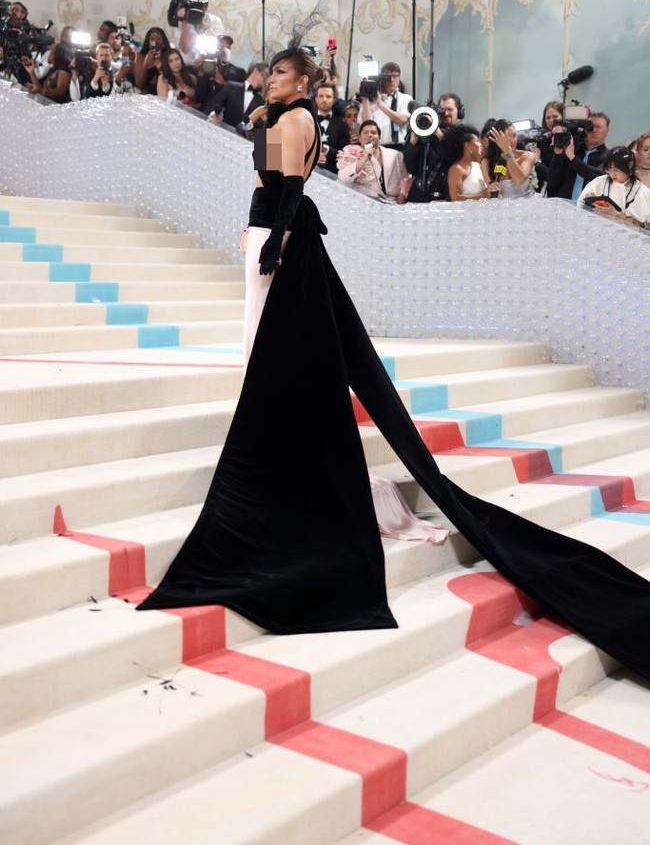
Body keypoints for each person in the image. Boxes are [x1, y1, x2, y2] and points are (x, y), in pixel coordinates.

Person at [136, 46, 650, 684]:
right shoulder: (278, 120)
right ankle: (287, 448)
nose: (271, 82)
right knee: (271, 356)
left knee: (267, 352)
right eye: (271, 74)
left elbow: (288, 189)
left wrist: (274, 246)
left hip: (281, 241)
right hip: (271, 237)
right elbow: (269, 183)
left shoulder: (293, 120)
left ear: (306, 82)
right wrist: (262, 230)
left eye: (285, 75)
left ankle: (285, 460)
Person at [337, 119, 410, 201]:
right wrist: (364, 157)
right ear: (360, 139)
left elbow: (405, 177)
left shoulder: (395, 155)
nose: (369, 135)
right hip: (364, 201)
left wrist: (403, 194)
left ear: (379, 138)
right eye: (365, 133)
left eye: (373, 133)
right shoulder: (350, 152)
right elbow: (343, 178)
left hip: (392, 202)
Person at [577, 145, 650, 226]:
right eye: (609, 169)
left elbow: (644, 227)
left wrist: (617, 215)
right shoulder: (601, 181)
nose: (612, 174)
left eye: (616, 170)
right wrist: (591, 201)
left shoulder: (641, 192)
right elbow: (581, 204)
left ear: (630, 165)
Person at [546, 112, 610, 200]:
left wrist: (572, 157)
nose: (593, 130)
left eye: (598, 127)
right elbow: (552, 182)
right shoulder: (571, 149)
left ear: (606, 131)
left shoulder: (609, 156)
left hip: (589, 210)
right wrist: (558, 155)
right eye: (590, 126)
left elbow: (597, 176)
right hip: (563, 206)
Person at [359, 61, 411, 147]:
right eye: (388, 76)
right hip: (376, 147)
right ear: (381, 79)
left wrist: (380, 105)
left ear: (399, 78)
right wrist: (365, 99)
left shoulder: (405, 98)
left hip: (399, 146)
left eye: (395, 76)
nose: (392, 80)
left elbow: (402, 121)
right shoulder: (370, 100)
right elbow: (366, 123)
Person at [482, 118, 536, 197]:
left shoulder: (528, 156)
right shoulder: (486, 162)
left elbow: (519, 179)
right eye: (506, 137)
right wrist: (493, 190)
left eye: (514, 136)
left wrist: (507, 152)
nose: (512, 140)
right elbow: (493, 193)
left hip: (528, 204)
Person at [206, 62, 268, 129]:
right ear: (255, 71)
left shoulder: (261, 102)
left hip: (242, 138)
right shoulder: (231, 87)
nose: (267, 80)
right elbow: (215, 106)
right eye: (265, 76)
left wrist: (245, 128)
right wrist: (214, 115)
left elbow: (256, 127)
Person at [442, 124, 495, 201]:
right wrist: (483, 195)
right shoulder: (456, 169)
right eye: (477, 141)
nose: (480, 145)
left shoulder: (478, 165)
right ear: (468, 146)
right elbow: (456, 198)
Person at [314, 82, 350, 173]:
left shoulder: (343, 125)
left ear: (334, 100)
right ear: (316, 99)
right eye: (321, 96)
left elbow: (344, 155)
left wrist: (327, 150)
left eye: (328, 96)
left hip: (332, 174)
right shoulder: (307, 120)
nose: (324, 100)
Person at [134, 27, 171, 94]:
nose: (155, 42)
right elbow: (139, 85)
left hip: (165, 93)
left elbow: (171, 82)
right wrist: (145, 64)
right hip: (147, 96)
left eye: (158, 39)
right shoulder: (141, 56)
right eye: (152, 39)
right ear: (148, 42)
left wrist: (160, 64)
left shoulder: (168, 56)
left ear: (163, 43)